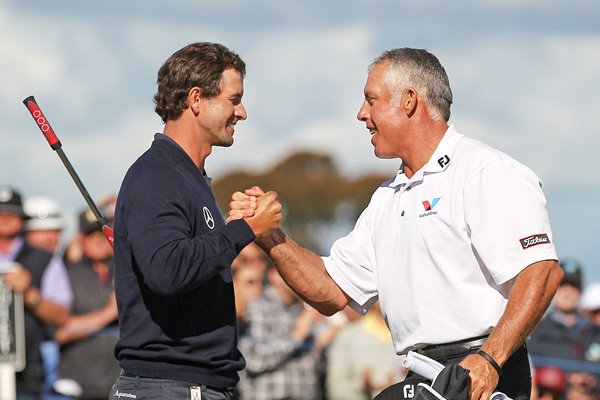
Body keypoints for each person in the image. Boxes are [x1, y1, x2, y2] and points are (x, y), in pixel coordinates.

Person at [229, 48, 564, 400]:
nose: (361, 114)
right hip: (421, 377)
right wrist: (268, 236)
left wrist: (488, 362)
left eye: (370, 100)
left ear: (408, 101)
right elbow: (330, 292)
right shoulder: (387, 198)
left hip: (485, 375)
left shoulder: (484, 171)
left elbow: (541, 272)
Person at [109, 42, 281, 400]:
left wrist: (234, 226)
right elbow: (167, 270)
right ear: (196, 99)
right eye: (234, 100)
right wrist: (244, 230)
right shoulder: (156, 175)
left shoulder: (187, 178)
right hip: (169, 387)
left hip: (192, 386)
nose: (243, 112)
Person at [0, 185, 73, 400]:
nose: (5, 218)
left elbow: (62, 315)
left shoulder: (44, 259)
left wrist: (29, 294)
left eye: (11, 214)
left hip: (28, 375)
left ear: (22, 219)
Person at [54, 207, 119, 400]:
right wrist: (108, 314)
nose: (98, 240)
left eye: (102, 234)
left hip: (124, 382)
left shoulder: (127, 269)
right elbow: (58, 332)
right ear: (81, 238)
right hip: (79, 385)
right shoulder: (64, 273)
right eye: (91, 235)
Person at [326, 301, 406, 400]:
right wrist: (361, 385)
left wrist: (396, 386)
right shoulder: (348, 336)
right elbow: (335, 388)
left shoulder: (412, 338)